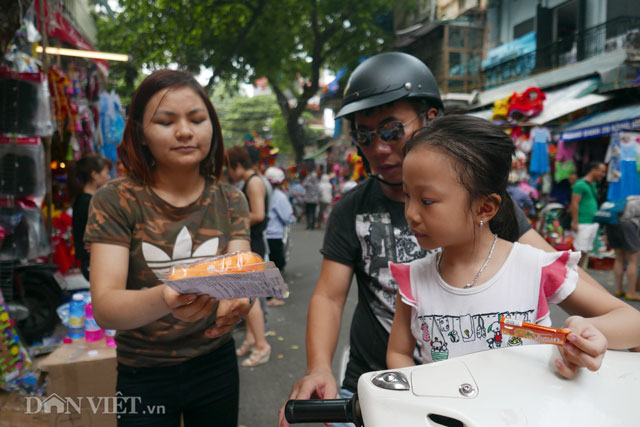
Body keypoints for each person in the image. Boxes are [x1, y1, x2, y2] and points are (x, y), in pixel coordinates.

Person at [279, 52, 619, 427]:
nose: (377, 147)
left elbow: (572, 285)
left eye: (391, 130)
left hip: (492, 400)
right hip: (386, 384)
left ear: (430, 120)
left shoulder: (487, 210)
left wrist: (589, 332)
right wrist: (318, 367)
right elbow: (329, 296)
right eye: (364, 136)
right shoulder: (351, 209)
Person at [386, 115, 640, 376]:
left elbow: (633, 322)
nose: (411, 213)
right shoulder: (413, 279)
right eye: (407, 195)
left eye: (426, 200)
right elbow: (398, 352)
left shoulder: (533, 267)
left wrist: (587, 331)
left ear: (484, 208)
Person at [84, 70, 253, 426]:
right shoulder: (115, 200)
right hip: (143, 374)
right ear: (141, 134)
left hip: (216, 364)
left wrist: (240, 297)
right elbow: (106, 307)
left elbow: (240, 275)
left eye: (197, 119)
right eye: (165, 121)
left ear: (212, 126)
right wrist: (167, 296)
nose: (185, 131)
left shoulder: (231, 200)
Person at [227, 146, 272, 367]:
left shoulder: (253, 182)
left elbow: (258, 214)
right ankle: (251, 339)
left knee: (250, 298)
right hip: (249, 244)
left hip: (253, 245)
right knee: (250, 298)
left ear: (236, 165)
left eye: (229, 167)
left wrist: (230, 225)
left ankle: (262, 346)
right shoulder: (250, 181)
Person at [71, 154, 112, 280]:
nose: (109, 177)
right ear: (94, 175)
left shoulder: (86, 200)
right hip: (94, 263)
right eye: (106, 173)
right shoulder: (88, 203)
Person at [265, 167, 296, 306]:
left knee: (269, 263)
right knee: (276, 264)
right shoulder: (279, 196)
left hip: (264, 234)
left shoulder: (264, 193)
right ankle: (270, 296)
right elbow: (286, 217)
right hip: (275, 234)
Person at [571, 161, 607, 267]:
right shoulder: (580, 184)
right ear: (594, 170)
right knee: (580, 252)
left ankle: (581, 275)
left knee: (586, 251)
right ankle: (575, 275)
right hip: (583, 223)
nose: (603, 175)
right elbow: (574, 203)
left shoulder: (593, 184)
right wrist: (575, 222)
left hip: (592, 222)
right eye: (602, 172)